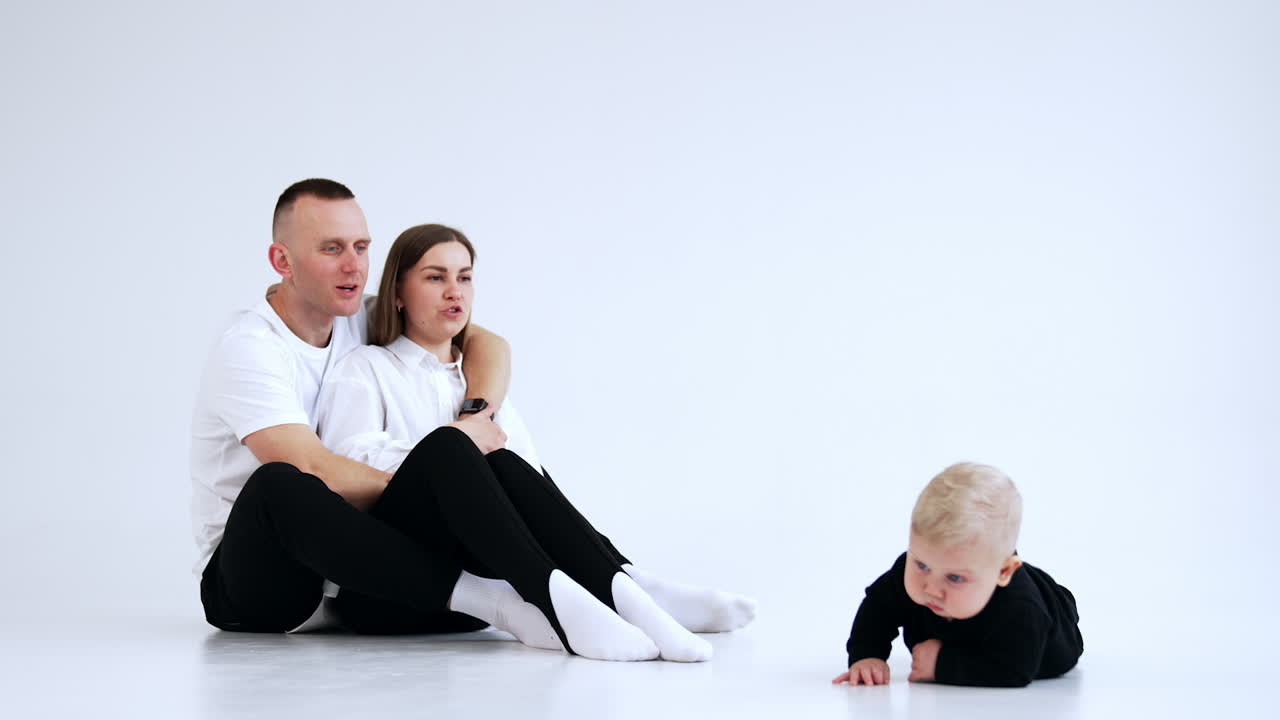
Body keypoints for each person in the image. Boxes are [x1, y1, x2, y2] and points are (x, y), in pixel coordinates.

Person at [313, 223, 757, 662]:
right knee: (456, 448)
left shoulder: (479, 385)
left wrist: (474, 458)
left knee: (508, 463)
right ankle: (575, 597)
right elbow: (348, 463)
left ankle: (626, 586)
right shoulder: (365, 367)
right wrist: (451, 456)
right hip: (393, 592)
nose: (454, 292)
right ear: (397, 293)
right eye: (435, 277)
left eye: (464, 278)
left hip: (485, 597)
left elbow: (528, 487)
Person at [191, 179, 519, 640]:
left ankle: (566, 584)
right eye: (332, 249)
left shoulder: (355, 314)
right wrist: (441, 486)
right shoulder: (250, 347)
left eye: (361, 247)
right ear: (282, 261)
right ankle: (488, 600)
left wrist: (474, 417)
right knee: (281, 484)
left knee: (504, 474)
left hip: (362, 586)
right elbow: (312, 468)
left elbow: (486, 342)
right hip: (269, 583)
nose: (354, 266)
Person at [832, 463, 1082, 688]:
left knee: (1046, 604)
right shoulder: (912, 569)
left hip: (1050, 630)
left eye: (954, 578)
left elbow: (1015, 669)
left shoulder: (1022, 609)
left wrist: (941, 664)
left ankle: (1058, 597)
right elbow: (878, 608)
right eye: (922, 565)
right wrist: (867, 655)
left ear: (1003, 572)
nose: (931, 588)